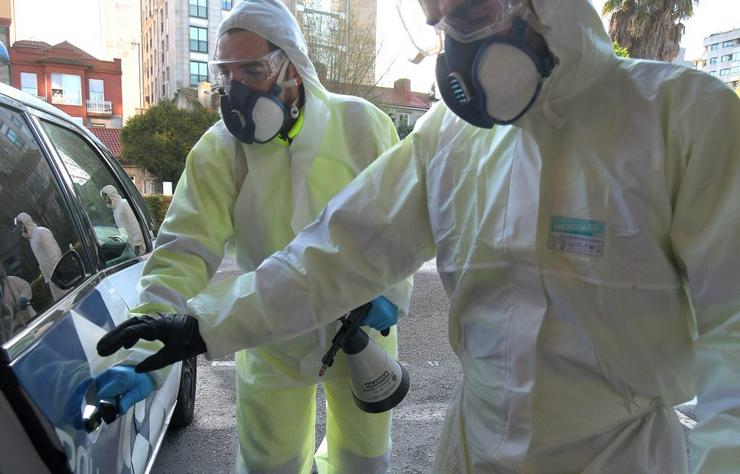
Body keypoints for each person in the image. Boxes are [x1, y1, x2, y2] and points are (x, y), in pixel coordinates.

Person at [98, 0, 740, 472]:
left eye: (471, 15)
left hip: (620, 456)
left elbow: (733, 334)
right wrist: (203, 326)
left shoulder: (682, 120)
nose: (453, 48)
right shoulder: (453, 139)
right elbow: (337, 250)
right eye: (442, 24)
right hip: (472, 448)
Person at [95, 0, 413, 473]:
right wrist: (147, 355)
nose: (236, 89)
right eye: (227, 74)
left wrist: (390, 292)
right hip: (270, 338)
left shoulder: (361, 126)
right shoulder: (220, 153)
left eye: (253, 69)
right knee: (271, 467)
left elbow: (402, 222)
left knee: (362, 462)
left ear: (293, 66)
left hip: (360, 331)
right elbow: (182, 253)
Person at [14, 212, 67, 300]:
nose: (20, 229)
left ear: (25, 222)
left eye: (20, 225)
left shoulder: (41, 232)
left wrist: (58, 275)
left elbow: (54, 253)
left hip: (60, 278)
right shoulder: (32, 239)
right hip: (52, 281)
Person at [100, 184, 146, 256]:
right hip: (131, 247)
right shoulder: (115, 209)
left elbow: (135, 223)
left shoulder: (124, 203)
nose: (105, 200)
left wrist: (138, 244)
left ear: (110, 195)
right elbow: (124, 229)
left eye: (105, 197)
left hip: (139, 248)